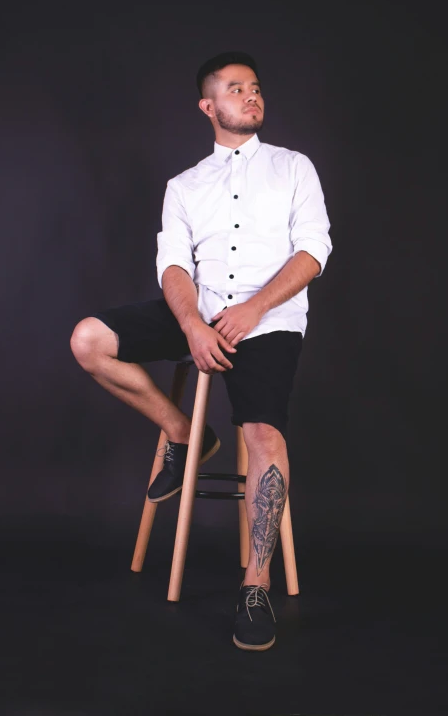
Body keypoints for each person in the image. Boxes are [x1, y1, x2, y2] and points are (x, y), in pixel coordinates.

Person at [70, 51, 332, 651]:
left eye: (256, 88)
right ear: (208, 106)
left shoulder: (294, 168)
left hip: (266, 321)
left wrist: (253, 308)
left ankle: (256, 586)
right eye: (236, 89)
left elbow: (313, 252)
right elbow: (172, 265)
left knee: (264, 435)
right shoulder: (185, 185)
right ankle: (184, 431)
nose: (251, 96)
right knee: (89, 340)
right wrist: (191, 324)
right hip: (200, 310)